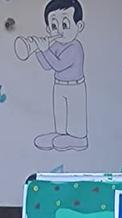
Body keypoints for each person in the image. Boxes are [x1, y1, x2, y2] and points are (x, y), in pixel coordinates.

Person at [23, 0, 88, 152]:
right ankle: (61, 134)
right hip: (59, 85)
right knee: (61, 113)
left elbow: (58, 65)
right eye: (54, 26)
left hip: (75, 86)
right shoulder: (56, 45)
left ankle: (79, 138)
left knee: (75, 113)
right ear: (48, 29)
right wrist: (37, 50)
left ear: (79, 26)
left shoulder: (75, 47)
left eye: (65, 24)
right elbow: (47, 66)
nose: (59, 31)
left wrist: (44, 50)